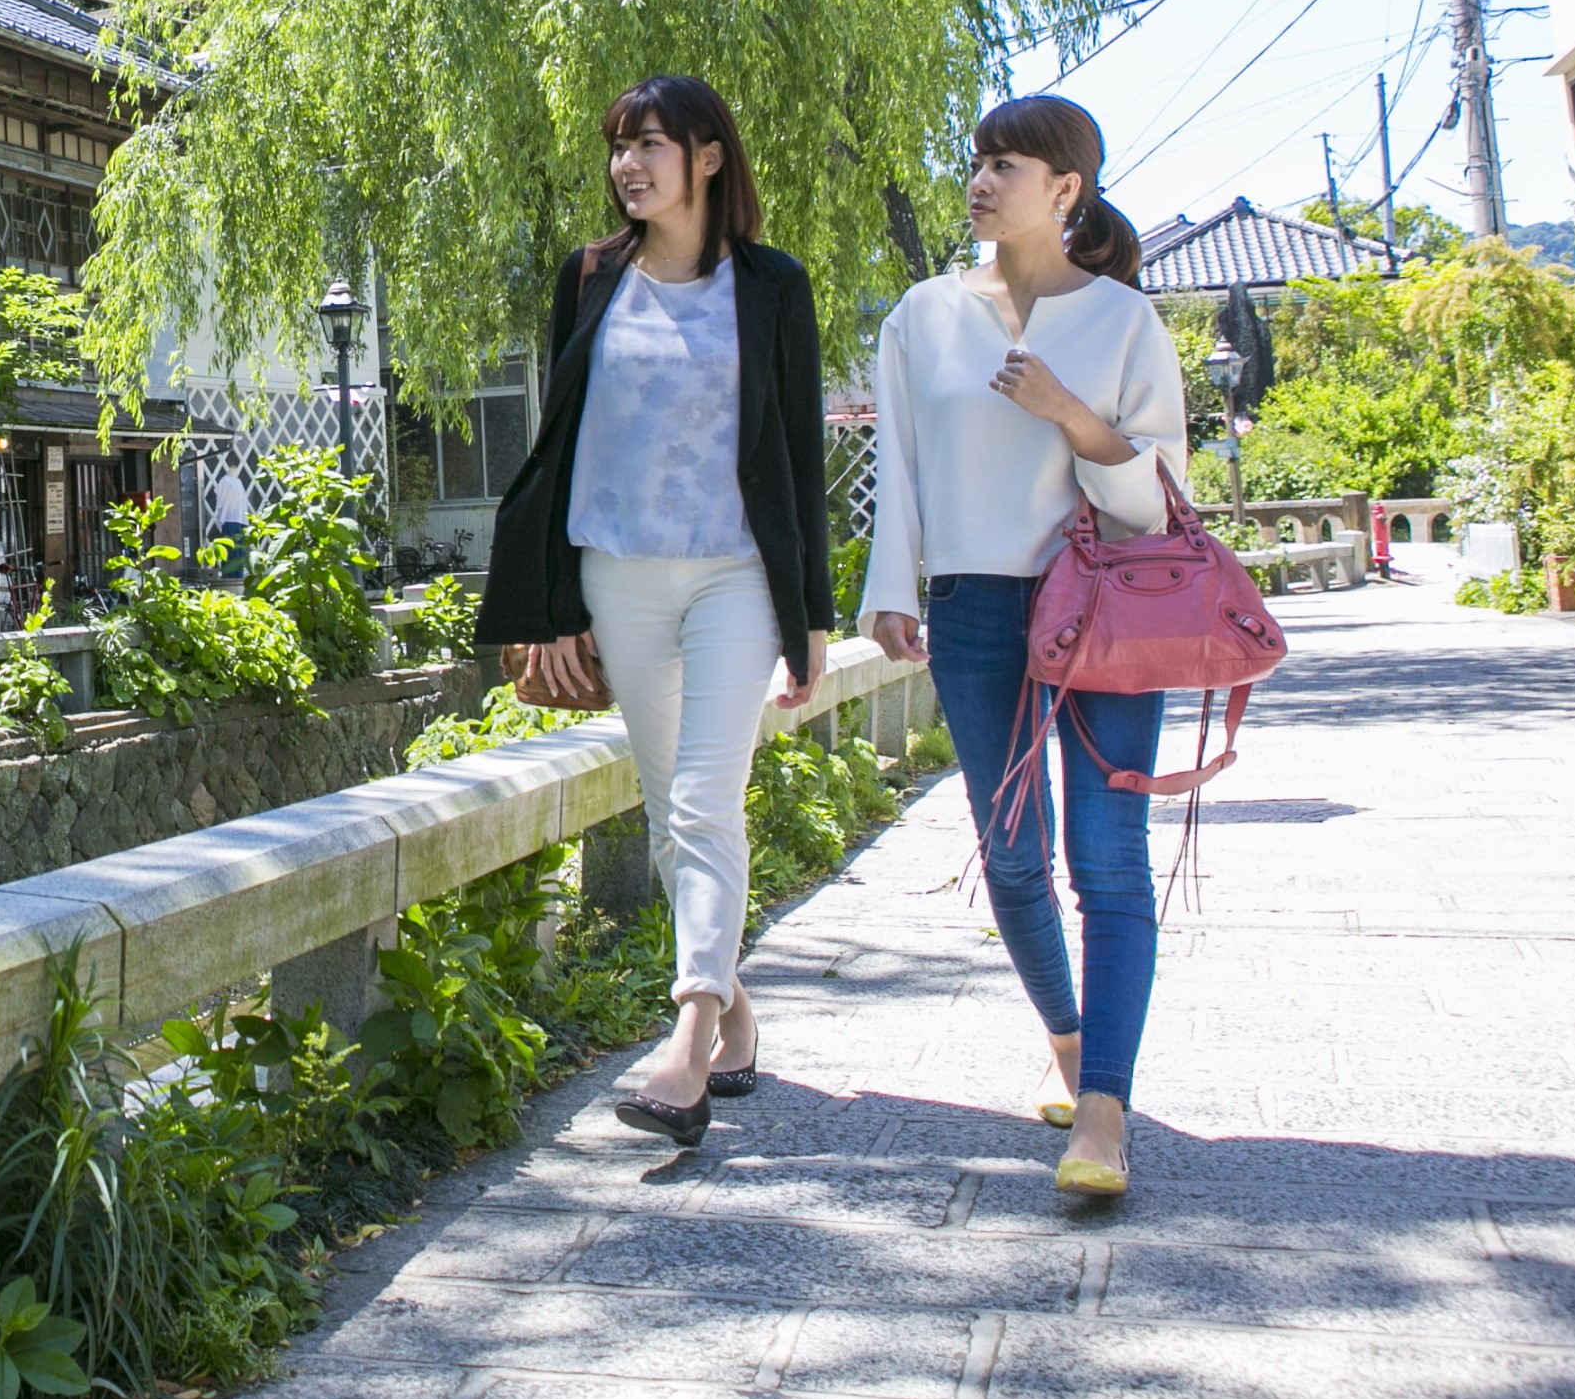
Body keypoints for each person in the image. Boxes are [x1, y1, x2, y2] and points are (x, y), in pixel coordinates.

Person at [479, 76, 833, 1149]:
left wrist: (808, 612)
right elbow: (560, 444)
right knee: (670, 797)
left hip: (734, 574)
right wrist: (548, 607)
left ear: (709, 158)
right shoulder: (590, 277)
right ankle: (735, 1016)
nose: (628, 166)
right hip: (617, 574)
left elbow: (799, 455)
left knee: (703, 796)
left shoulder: (772, 286)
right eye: (619, 149)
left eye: (650, 145)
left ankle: (682, 1046)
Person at [860, 94, 1188, 1198]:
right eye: (979, 160)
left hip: (1105, 605)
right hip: (974, 609)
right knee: (1010, 853)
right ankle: (1068, 1039)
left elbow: (1157, 504)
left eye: (1009, 164)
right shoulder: (922, 315)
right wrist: (890, 587)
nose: (983, 179)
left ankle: (1104, 1115)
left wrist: (1069, 412)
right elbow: (897, 466)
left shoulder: (1123, 322)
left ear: (1067, 189)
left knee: (1108, 859)